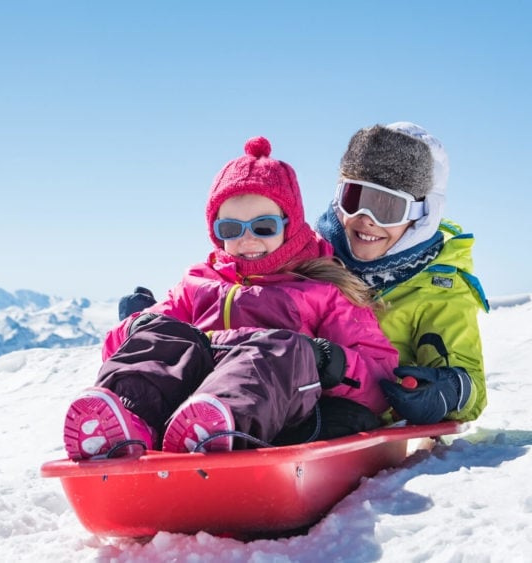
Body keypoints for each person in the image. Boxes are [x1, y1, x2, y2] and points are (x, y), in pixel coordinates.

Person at [63, 137, 399, 461]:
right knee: (165, 332)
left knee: (283, 349)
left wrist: (330, 362)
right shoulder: (197, 283)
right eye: (230, 229)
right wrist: (137, 325)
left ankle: (214, 428)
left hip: (279, 414)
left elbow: (378, 381)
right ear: (216, 233)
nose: (247, 239)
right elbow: (130, 349)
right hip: (184, 403)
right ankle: (125, 421)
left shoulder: (322, 290)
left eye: (263, 227)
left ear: (290, 225)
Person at [313, 122, 489, 425]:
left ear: (421, 216)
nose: (366, 219)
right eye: (355, 199)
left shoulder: (438, 288)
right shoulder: (310, 261)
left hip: (363, 416)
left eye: (387, 208)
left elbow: (469, 380)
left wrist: (447, 390)